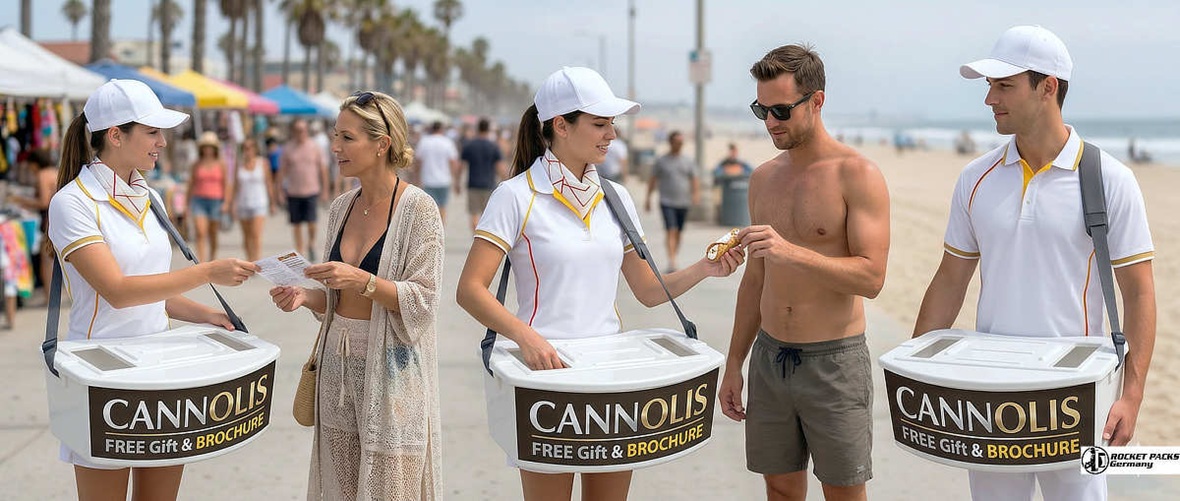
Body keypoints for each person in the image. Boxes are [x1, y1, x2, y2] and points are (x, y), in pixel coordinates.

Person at [456, 66, 744, 501]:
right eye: (599, 123)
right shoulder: (515, 196)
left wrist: (704, 268)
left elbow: (648, 291)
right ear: (561, 125)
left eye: (613, 124)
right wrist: (526, 338)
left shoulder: (616, 197)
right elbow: (470, 289)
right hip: (543, 379)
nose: (611, 134)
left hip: (611, 379)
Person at [912, 25, 1156, 501]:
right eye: (989, 86)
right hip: (990, 399)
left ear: (1048, 87)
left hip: (1075, 399)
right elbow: (950, 280)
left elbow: (1139, 292)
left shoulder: (1110, 180)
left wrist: (1132, 393)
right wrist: (915, 368)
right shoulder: (975, 178)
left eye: (1004, 86)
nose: (989, 99)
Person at [47, 78, 259, 501]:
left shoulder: (151, 196)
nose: (163, 141)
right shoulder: (72, 202)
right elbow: (119, 291)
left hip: (161, 372)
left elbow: (151, 292)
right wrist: (207, 272)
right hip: (100, 377)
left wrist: (208, 314)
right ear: (115, 136)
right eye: (153, 132)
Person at [717, 44, 890, 501]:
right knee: (780, 489)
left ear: (816, 101)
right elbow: (754, 281)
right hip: (770, 359)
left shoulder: (857, 174)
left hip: (833, 362)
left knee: (843, 493)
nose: (770, 121)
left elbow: (872, 278)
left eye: (780, 109)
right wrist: (734, 362)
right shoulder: (762, 179)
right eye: (761, 109)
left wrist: (791, 253)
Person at [268, 90, 443, 500]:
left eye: (347, 137)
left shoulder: (419, 210)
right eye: (335, 136)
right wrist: (306, 297)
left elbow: (424, 299)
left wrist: (360, 279)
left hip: (395, 375)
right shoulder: (341, 207)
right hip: (337, 371)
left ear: (381, 144)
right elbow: (336, 298)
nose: (335, 147)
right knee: (340, 488)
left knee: (390, 489)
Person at [644, 130, 699, 272]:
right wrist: (648, 199)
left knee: (679, 232)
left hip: (683, 201)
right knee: (671, 230)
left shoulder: (688, 161)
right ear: (671, 143)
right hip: (666, 201)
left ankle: (674, 254)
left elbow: (694, 179)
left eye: (682, 142)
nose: (680, 145)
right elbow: (653, 180)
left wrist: (695, 194)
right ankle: (672, 260)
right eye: (677, 142)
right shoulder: (662, 161)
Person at [10, 148, 58, 306]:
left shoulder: (42, 175)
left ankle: (49, 297)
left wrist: (20, 201)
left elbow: (44, 202)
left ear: (34, 163)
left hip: (50, 219)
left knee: (46, 260)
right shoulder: (55, 171)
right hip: (60, 216)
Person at [276, 119, 329, 261]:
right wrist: (279, 191)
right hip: (293, 191)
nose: (301, 133)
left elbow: (323, 169)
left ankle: (311, 243)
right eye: (298, 130)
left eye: (303, 130)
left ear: (307, 130)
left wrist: (325, 190)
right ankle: (300, 250)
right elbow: (282, 171)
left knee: (312, 222)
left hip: (311, 190)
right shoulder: (288, 148)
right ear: (293, 131)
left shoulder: (315, 146)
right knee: (296, 224)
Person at [186, 131, 232, 262]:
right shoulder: (196, 164)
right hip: (198, 200)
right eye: (205, 146)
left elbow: (226, 184)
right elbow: (191, 184)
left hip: (216, 201)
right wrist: (186, 204)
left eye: (210, 146)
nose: (208, 149)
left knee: (213, 233)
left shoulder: (221, 164)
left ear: (214, 148)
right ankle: (201, 261)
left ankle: (212, 258)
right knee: (200, 232)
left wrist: (226, 202)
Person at [228, 138, 276, 262]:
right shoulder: (239, 165)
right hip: (243, 204)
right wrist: (232, 204)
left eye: (250, 148)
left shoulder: (263, 163)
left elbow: (269, 183)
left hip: (259, 203)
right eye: (245, 148)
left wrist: (272, 203)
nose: (247, 151)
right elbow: (235, 186)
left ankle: (256, 260)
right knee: (246, 235)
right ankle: (249, 260)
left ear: (255, 149)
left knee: (255, 234)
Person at [459, 117, 506, 231]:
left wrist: (457, 182)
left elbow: (462, 166)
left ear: (477, 129)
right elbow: (500, 167)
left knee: (474, 215)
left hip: (473, 185)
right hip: (489, 185)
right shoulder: (493, 146)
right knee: (487, 216)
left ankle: (474, 239)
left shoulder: (469, 145)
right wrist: (505, 181)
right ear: (488, 130)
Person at [414, 121, 460, 224]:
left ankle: (429, 230)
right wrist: (455, 179)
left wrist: (417, 178)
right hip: (444, 180)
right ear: (442, 129)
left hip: (428, 180)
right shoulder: (447, 142)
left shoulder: (424, 142)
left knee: (428, 208)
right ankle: (440, 230)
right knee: (442, 207)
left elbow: (418, 161)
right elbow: (453, 162)